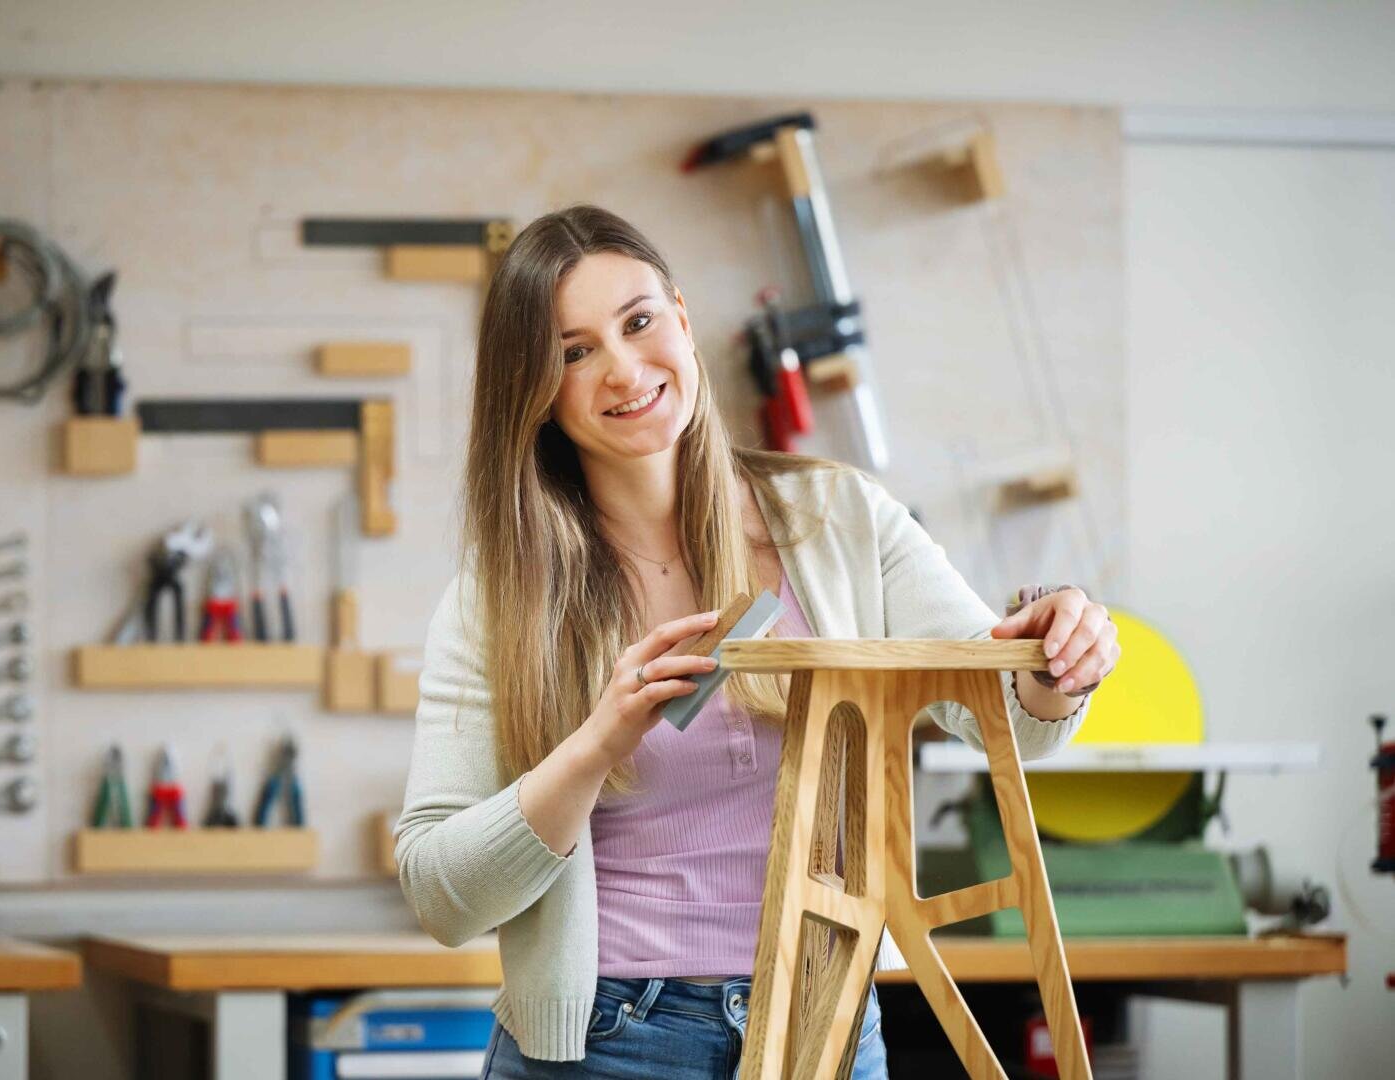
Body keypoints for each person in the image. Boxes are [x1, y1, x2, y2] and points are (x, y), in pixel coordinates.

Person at [395, 205, 1117, 1079]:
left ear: (683, 320)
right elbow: (440, 896)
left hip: (828, 1027)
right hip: (609, 1042)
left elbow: (1019, 719)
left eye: (638, 322)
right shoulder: (500, 597)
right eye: (573, 352)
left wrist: (1057, 657)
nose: (624, 369)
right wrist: (596, 744)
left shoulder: (843, 520)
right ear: (535, 392)